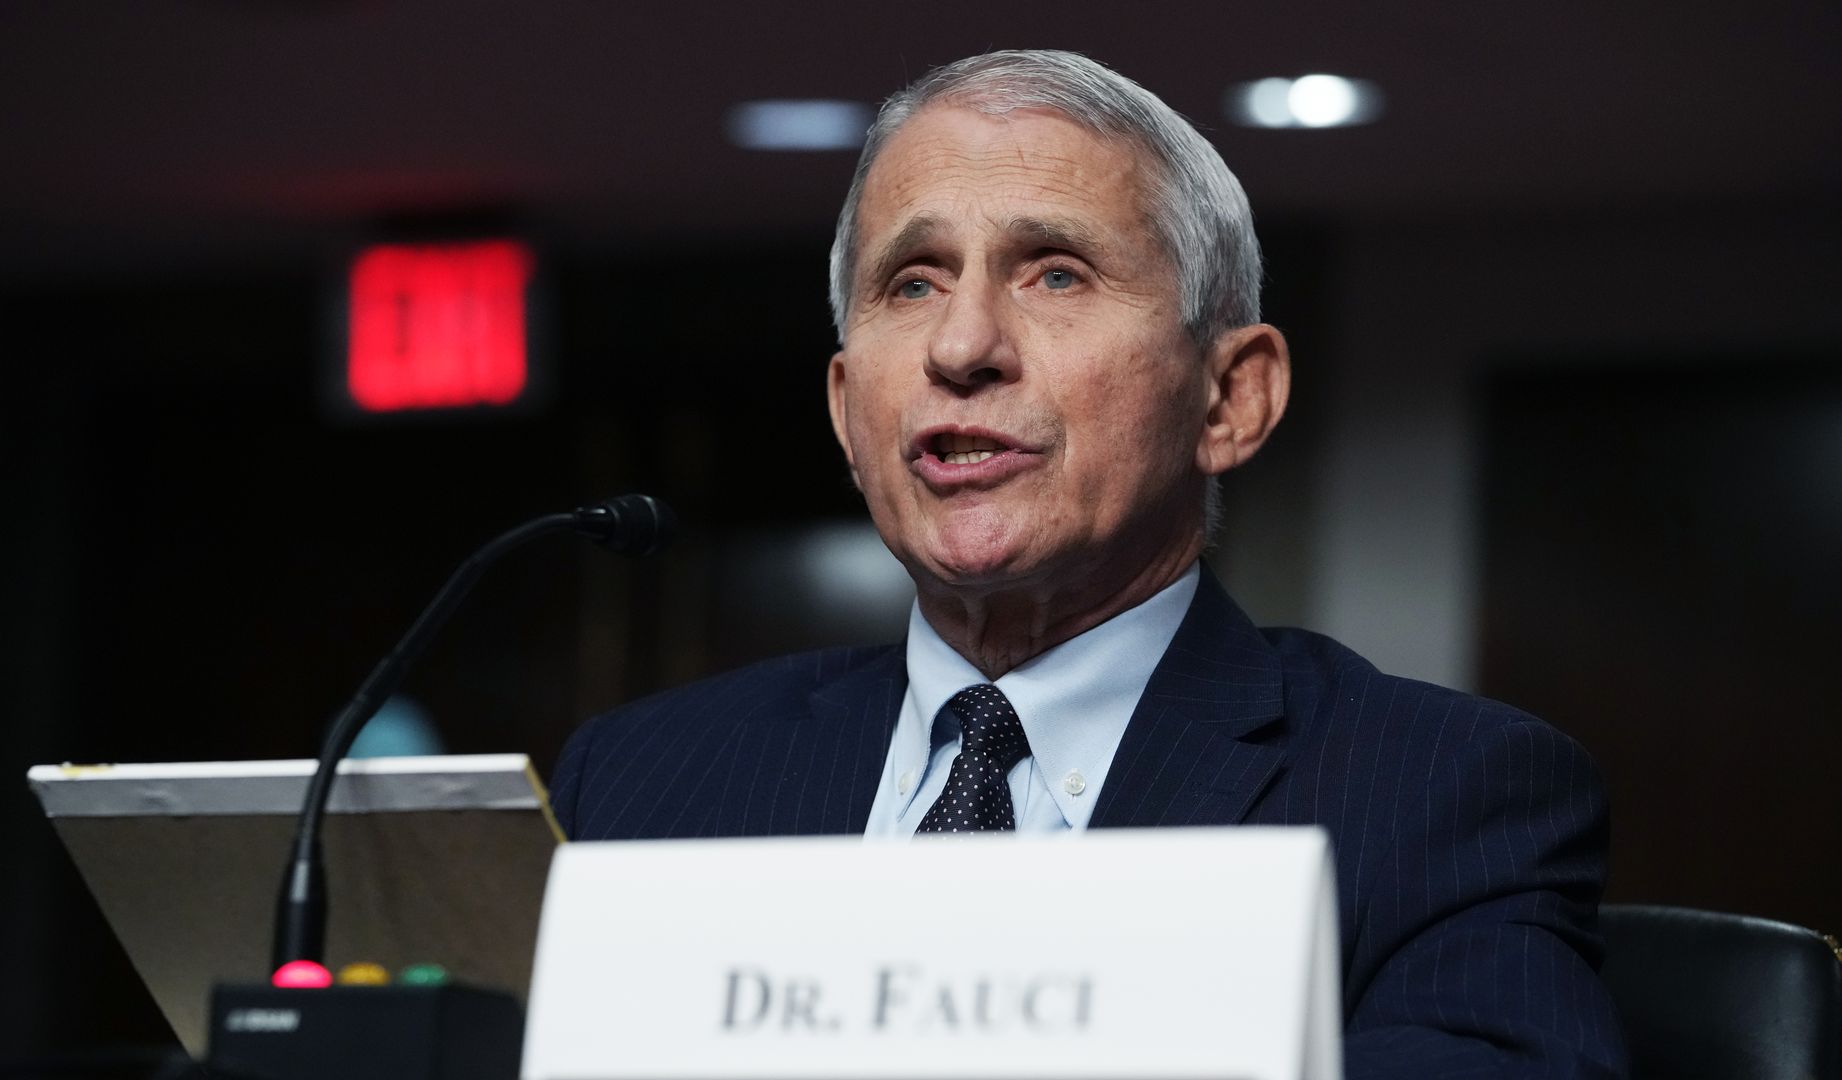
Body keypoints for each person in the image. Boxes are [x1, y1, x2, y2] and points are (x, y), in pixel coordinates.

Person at [550, 49, 1627, 1078]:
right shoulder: (643, 790)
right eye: (914, 283)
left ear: (1229, 397)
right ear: (845, 410)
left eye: (1056, 275)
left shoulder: (1443, 795)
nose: (963, 346)